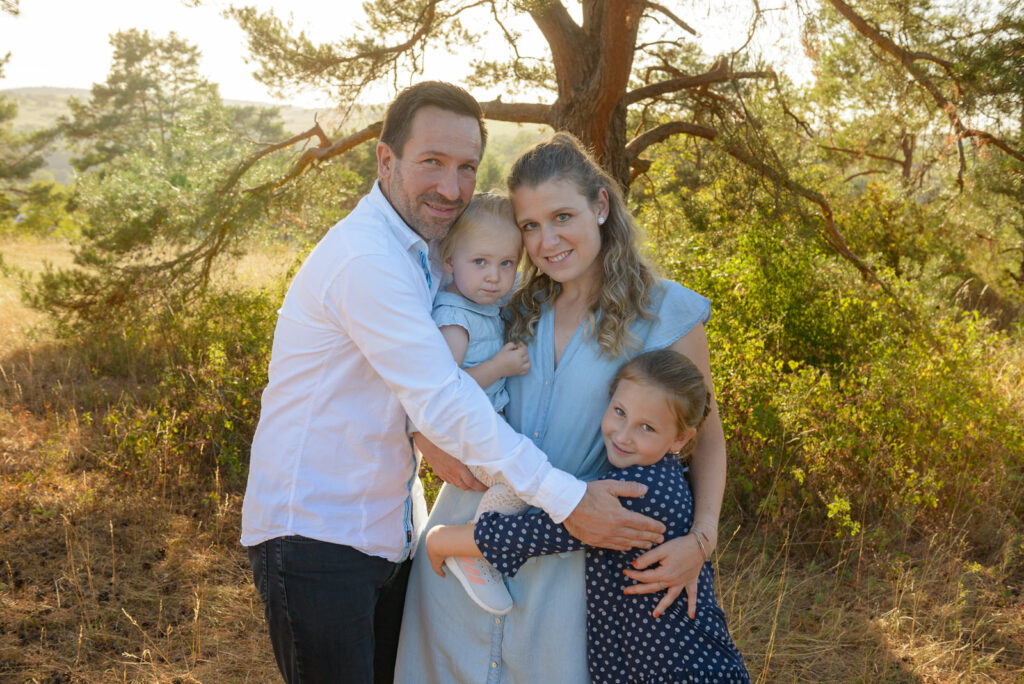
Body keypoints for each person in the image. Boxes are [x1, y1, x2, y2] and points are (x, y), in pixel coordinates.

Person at [239, 84, 668, 684]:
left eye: (467, 167)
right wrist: (568, 500)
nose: (451, 186)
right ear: (386, 161)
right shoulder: (368, 260)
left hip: (386, 528)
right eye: (431, 163)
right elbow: (444, 396)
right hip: (317, 535)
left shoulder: (430, 248)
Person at [396, 132, 730, 683]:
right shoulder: (509, 301)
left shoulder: (666, 310)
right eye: (529, 225)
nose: (546, 240)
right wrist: (424, 436)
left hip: (574, 571)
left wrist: (703, 539)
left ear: (600, 206)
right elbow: (432, 381)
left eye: (562, 217)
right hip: (461, 550)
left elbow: (708, 436)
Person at [425, 349, 750, 683]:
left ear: (680, 438)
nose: (624, 435)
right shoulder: (658, 475)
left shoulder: (641, 491)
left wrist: (443, 540)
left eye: (647, 427)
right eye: (620, 412)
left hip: (686, 671)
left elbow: (541, 533)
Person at [429, 192, 534, 615]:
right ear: (450, 261)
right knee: (519, 484)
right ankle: (470, 547)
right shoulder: (455, 319)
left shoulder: (483, 304)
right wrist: (498, 366)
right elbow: (445, 391)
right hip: (464, 436)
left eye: (506, 264)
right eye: (480, 263)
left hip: (482, 429)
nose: (494, 276)